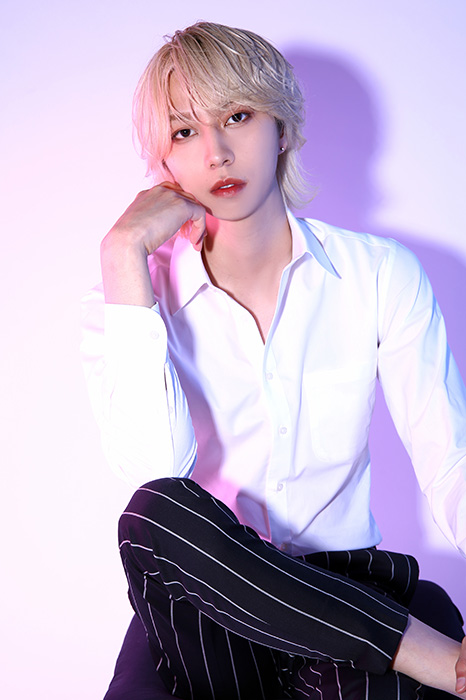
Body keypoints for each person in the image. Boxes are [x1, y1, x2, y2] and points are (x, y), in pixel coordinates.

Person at [81, 21, 466, 699]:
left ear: (281, 126)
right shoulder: (128, 294)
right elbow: (155, 474)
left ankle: (396, 647)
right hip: (208, 613)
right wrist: (122, 255)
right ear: (163, 162)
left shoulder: (380, 275)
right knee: (155, 509)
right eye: (184, 132)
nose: (217, 153)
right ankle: (415, 651)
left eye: (237, 116)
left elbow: (450, 461)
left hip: (345, 592)